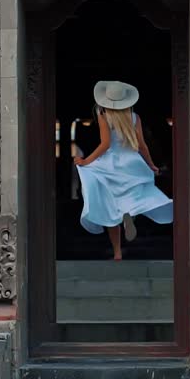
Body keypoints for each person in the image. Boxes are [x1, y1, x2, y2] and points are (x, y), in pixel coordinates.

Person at [74, 80, 173, 260]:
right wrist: (150, 164)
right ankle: (130, 217)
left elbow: (105, 145)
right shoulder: (135, 117)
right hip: (132, 164)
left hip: (110, 165)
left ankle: (117, 252)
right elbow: (142, 146)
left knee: (110, 209)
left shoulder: (103, 114)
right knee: (133, 200)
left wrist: (85, 161)